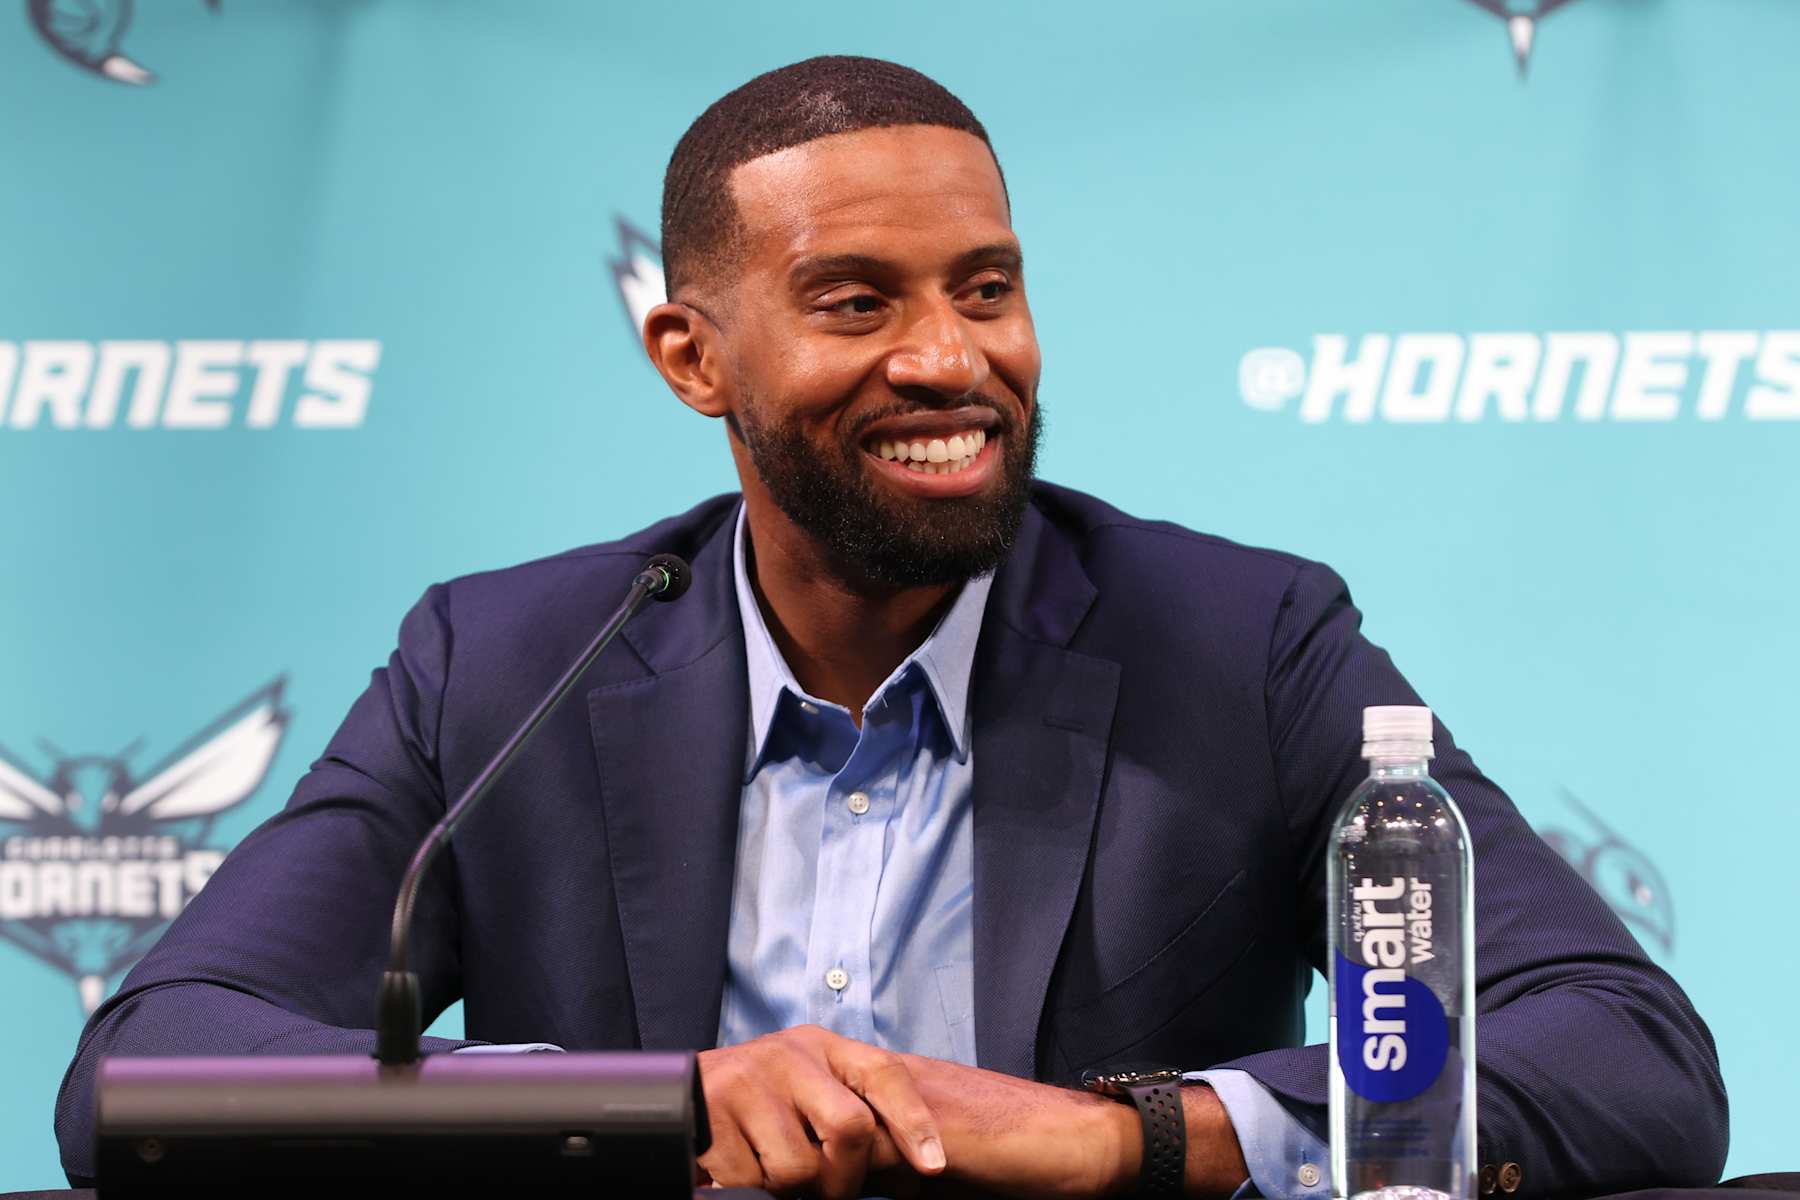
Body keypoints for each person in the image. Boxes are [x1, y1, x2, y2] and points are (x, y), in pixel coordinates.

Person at [56, 56, 1726, 1197]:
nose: (951, 359)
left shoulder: (1249, 643)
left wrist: (1137, 1140)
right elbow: (146, 1073)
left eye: (985, 289)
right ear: (691, 359)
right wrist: (662, 1112)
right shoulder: (499, 666)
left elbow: (1623, 1052)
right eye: (857, 301)